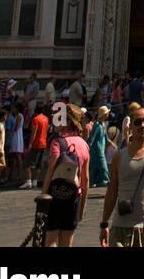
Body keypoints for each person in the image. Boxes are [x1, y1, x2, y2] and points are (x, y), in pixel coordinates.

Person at [100, 108, 144, 248]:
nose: (142, 126)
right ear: (131, 126)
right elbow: (111, 192)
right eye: (138, 122)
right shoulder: (118, 157)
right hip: (120, 226)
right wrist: (104, 223)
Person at [41, 102, 90, 246]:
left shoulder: (57, 143)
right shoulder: (83, 144)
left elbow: (50, 172)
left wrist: (42, 199)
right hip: (74, 196)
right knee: (67, 241)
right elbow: (85, 178)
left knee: (49, 240)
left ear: (68, 121)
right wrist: (82, 206)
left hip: (54, 197)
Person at [20, 104, 49, 188]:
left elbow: (34, 132)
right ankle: (35, 181)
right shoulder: (46, 119)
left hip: (36, 143)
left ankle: (28, 180)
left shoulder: (36, 119)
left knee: (27, 163)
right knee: (39, 164)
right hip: (43, 143)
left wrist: (30, 144)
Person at [89, 105, 111, 186]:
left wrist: (109, 142)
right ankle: (106, 180)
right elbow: (93, 137)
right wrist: (89, 146)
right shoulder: (97, 125)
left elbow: (105, 136)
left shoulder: (102, 124)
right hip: (97, 149)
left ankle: (93, 181)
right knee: (102, 165)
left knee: (95, 166)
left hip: (100, 148)